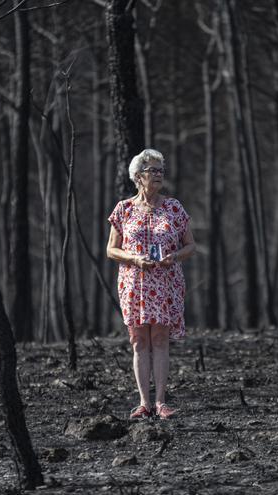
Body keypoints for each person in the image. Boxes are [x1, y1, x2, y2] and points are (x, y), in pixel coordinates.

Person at [106, 149, 195, 419]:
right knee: (138, 340)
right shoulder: (124, 209)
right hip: (134, 282)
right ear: (137, 176)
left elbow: (190, 246)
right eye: (152, 171)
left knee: (159, 338)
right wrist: (133, 257)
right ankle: (143, 402)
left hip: (166, 280)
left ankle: (161, 402)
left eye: (161, 171)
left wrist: (174, 257)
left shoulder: (174, 207)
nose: (158, 176)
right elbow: (111, 249)